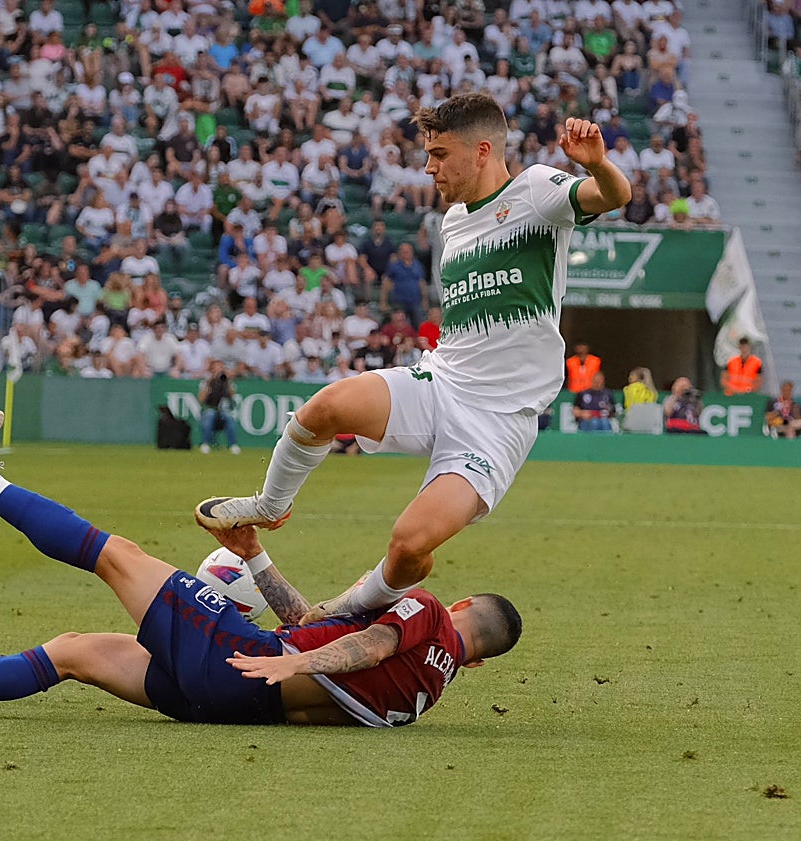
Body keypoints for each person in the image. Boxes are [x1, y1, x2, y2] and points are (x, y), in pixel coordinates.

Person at [195, 93, 630, 619]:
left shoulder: (535, 190)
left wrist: (597, 164)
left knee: (409, 545)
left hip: (496, 422)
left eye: (440, 154)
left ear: (482, 151)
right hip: (441, 381)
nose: (429, 168)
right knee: (324, 408)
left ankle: (344, 611)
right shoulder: (452, 221)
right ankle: (270, 506)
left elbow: (613, 195)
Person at [0, 410, 522, 727]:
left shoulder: (426, 613)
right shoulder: (424, 693)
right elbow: (313, 622)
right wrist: (254, 555)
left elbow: (364, 644)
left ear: (462, 605)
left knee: (117, 555)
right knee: (75, 652)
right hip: (229, 704)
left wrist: (293, 661)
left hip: (243, 663)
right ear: (478, 663)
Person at [198, 359, 241, 455]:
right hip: (210, 409)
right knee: (210, 414)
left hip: (224, 411)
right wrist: (210, 382)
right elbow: (201, 399)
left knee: (229, 417)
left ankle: (233, 445)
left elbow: (233, 395)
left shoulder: (227, 382)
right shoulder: (206, 382)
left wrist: (227, 380)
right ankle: (205, 444)